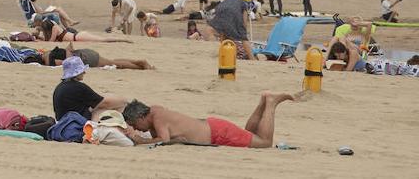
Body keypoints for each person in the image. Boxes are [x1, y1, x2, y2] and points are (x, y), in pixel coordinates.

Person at [121, 93, 300, 148]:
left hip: (217, 133)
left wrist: (141, 141)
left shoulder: (157, 118)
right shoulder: (154, 111)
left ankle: (271, 104)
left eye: (135, 124)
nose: (138, 129)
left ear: (140, 116)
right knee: (251, 135)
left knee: (265, 143)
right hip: (214, 127)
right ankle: (263, 101)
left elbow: (164, 140)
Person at [52, 56, 128, 120]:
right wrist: (123, 101)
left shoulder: (60, 87)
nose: (84, 72)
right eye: (82, 71)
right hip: (76, 123)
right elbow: (105, 103)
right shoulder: (79, 87)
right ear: (77, 73)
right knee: (104, 109)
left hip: (62, 122)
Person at [44, 45, 154, 71]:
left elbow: (68, 62)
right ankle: (139, 64)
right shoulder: (49, 53)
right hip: (84, 53)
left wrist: (68, 51)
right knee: (112, 61)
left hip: (86, 58)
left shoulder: (51, 60)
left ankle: (140, 64)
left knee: (115, 64)